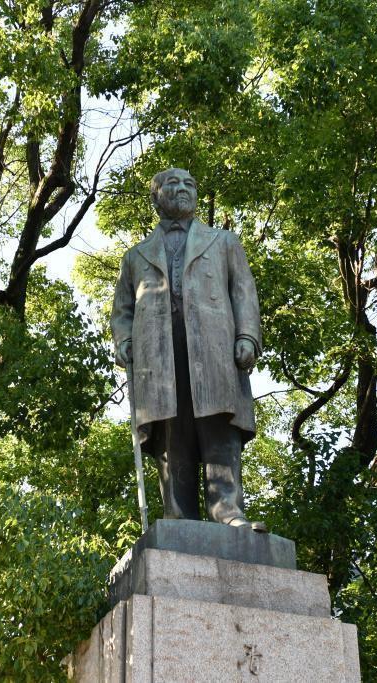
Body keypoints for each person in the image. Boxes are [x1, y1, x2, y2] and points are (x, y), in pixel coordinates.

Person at [111, 168, 266, 531]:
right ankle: (179, 517)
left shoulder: (224, 242)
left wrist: (247, 335)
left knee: (218, 428)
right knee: (171, 434)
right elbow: (122, 311)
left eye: (189, 184)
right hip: (158, 355)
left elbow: (243, 292)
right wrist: (125, 341)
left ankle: (227, 510)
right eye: (172, 183)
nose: (182, 189)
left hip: (213, 347)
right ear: (155, 197)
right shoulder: (136, 256)